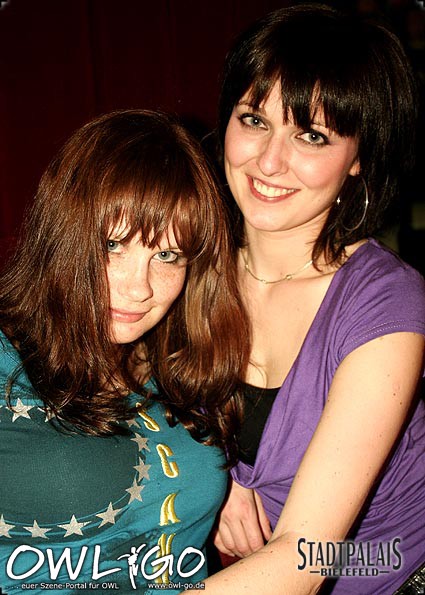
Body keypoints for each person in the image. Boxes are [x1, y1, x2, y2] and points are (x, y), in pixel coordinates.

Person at [193, 4, 425, 595]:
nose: (269, 161)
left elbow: (307, 559)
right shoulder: (186, 266)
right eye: (254, 120)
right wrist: (214, 475)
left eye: (311, 135)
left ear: (359, 158)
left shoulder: (386, 303)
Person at [0, 110, 250, 593]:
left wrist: (238, 476)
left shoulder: (177, 366)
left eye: (167, 256)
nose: (140, 289)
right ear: (62, 236)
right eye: (113, 245)